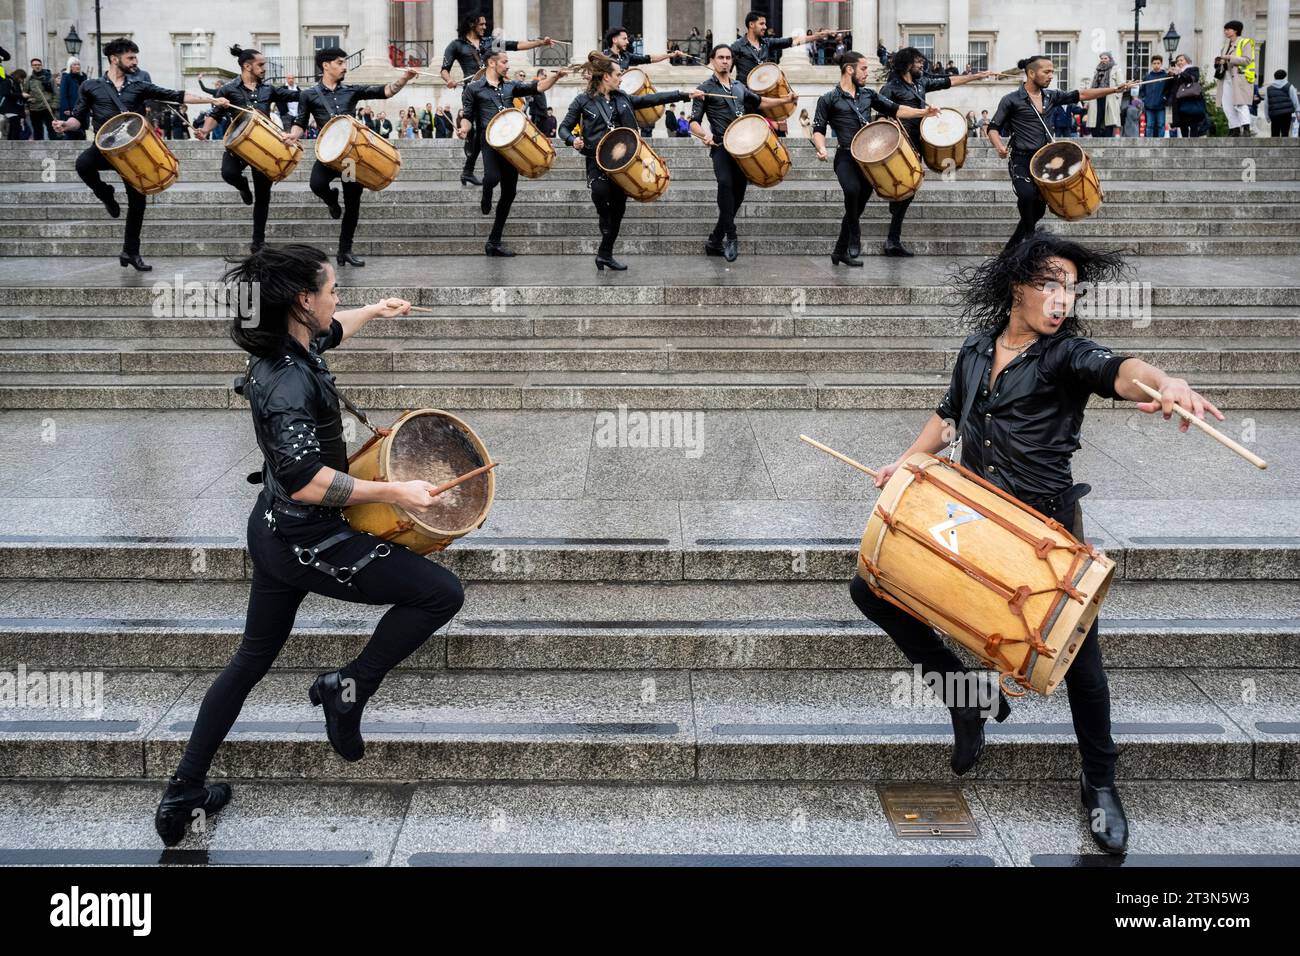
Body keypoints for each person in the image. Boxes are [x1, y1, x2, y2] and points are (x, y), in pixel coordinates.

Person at [850, 231, 1225, 856]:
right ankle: (965, 697)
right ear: (1016, 286)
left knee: (1082, 663)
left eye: (1069, 288)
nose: (1060, 299)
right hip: (975, 521)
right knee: (871, 588)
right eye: (1049, 284)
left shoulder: (1065, 355)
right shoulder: (975, 350)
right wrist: (905, 464)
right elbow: (947, 418)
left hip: (1045, 536)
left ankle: (1100, 783)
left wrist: (1166, 382)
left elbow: (1119, 372)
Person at [154, 244, 465, 847]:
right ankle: (347, 688)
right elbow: (305, 479)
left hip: (273, 529)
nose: (337, 297)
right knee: (439, 594)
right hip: (306, 536)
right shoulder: (288, 382)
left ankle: (182, 794)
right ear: (303, 300)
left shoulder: (291, 346)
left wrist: (375, 309)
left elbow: (331, 333)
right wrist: (394, 490)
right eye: (332, 289)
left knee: (250, 660)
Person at [53, 38, 229, 271]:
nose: (135, 62)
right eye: (130, 58)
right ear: (114, 59)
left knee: (138, 202)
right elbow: (78, 118)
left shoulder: (139, 86)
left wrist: (211, 98)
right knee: (82, 164)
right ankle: (105, 193)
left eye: (136, 57)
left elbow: (177, 94)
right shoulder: (90, 86)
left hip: (134, 151)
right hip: (105, 147)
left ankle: (130, 252)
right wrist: (66, 125)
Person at [559, 53, 703, 272]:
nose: (621, 78)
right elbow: (563, 128)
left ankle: (604, 254)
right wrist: (573, 140)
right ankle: (605, 233)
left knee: (618, 210)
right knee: (601, 199)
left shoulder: (623, 97)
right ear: (606, 77)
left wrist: (684, 94)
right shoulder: (583, 100)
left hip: (625, 164)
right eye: (618, 74)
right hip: (596, 162)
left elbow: (652, 99)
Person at [285, 46, 417, 268]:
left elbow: (385, 91)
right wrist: (292, 136)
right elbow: (300, 122)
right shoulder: (309, 94)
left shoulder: (351, 91)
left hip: (349, 159)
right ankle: (331, 199)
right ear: (326, 66)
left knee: (353, 204)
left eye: (344, 62)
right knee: (316, 184)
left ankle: (345, 250)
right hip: (327, 156)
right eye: (340, 63)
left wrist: (404, 77)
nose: (344, 67)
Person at [988, 55, 1131, 249]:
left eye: (1052, 72)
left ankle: (1011, 248)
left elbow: (1082, 94)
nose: (1051, 76)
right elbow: (993, 127)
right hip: (1021, 159)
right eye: (1046, 72)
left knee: (1038, 211)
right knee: (1027, 195)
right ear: (1031, 73)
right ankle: (1031, 238)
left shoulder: (1051, 96)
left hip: (1046, 160)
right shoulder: (1011, 99)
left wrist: (1114, 89)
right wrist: (999, 146)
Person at [811, 51, 937, 267]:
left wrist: (923, 112)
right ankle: (854, 234)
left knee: (857, 207)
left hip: (869, 161)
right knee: (852, 191)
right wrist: (821, 148)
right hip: (845, 157)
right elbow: (818, 129)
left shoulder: (869, 94)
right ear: (849, 69)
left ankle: (839, 252)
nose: (867, 73)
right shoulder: (828, 99)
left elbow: (896, 109)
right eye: (863, 68)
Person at [879, 47, 997, 256]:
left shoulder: (921, 82)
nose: (922, 65)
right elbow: (881, 116)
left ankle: (894, 229)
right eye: (917, 62)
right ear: (907, 64)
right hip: (902, 144)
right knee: (908, 188)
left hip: (920, 141)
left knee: (910, 189)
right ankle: (892, 240)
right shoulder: (890, 88)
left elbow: (948, 81)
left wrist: (976, 76)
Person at [689, 44, 798, 262]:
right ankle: (731, 235)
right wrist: (704, 136)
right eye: (720, 57)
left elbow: (761, 101)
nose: (725, 61)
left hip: (744, 150)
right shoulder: (704, 88)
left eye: (728, 57)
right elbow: (693, 122)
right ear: (712, 60)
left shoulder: (739, 86)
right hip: (720, 146)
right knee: (725, 184)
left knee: (737, 197)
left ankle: (714, 240)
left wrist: (785, 100)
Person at [459, 51, 566, 257]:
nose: (508, 66)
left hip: (512, 144)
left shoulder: (510, 86)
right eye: (505, 62)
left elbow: (538, 86)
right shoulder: (473, 88)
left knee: (509, 193)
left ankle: (494, 242)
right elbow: (468, 116)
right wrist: (463, 129)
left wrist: (556, 77)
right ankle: (486, 192)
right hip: (489, 141)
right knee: (491, 178)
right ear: (492, 63)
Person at [197, 46, 301, 254]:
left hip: (264, 147)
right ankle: (243, 186)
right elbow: (215, 113)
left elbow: (292, 100)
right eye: (261, 65)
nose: (264, 68)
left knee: (263, 197)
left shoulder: (269, 89)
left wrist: (290, 130)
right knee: (229, 173)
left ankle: (258, 241)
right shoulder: (228, 90)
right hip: (238, 145)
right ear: (247, 66)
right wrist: (205, 130)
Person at [441, 12, 556, 186]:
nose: (485, 27)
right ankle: (469, 163)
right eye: (481, 24)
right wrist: (449, 80)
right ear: (472, 24)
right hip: (474, 91)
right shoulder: (456, 45)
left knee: (484, 130)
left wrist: (540, 42)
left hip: (494, 90)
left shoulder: (490, 42)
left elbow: (516, 45)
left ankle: (469, 169)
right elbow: (444, 68)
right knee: (478, 130)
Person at [729, 10, 831, 84]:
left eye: (765, 24)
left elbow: (791, 41)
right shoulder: (737, 46)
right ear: (751, 24)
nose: (765, 27)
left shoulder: (767, 43)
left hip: (764, 92)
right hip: (744, 94)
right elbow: (725, 69)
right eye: (761, 24)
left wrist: (816, 36)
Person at [1216, 19, 1257, 136]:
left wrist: (1230, 57)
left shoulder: (1245, 42)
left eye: (1227, 29)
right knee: (1227, 103)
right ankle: (1234, 128)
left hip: (1239, 78)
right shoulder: (1225, 46)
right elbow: (1224, 60)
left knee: (1240, 103)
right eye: (1225, 29)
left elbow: (1247, 60)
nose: (1225, 32)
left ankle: (1246, 128)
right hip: (1226, 77)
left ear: (1235, 30)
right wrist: (1219, 62)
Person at [603, 25, 688, 70]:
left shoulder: (626, 56)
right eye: (624, 39)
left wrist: (670, 55)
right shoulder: (603, 58)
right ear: (614, 40)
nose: (627, 42)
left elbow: (649, 58)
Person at [1167, 54, 1207, 138]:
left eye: (1181, 60)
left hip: (1190, 99)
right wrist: (1171, 75)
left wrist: (1181, 72)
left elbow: (1192, 79)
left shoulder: (1193, 69)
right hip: (1179, 100)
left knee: (1193, 121)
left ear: (1187, 61)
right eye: (1178, 61)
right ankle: (1184, 141)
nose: (1179, 62)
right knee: (1182, 122)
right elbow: (1171, 86)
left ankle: (1193, 140)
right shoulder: (1176, 72)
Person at [1086, 52, 1121, 137]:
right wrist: (1087, 101)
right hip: (1097, 96)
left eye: (1105, 58)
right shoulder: (1097, 70)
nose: (1103, 60)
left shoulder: (1115, 69)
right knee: (1096, 118)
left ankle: (1108, 137)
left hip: (1109, 97)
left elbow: (1120, 84)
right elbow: (1091, 85)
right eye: (1102, 58)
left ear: (1109, 59)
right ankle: (1096, 137)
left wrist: (1117, 96)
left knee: (1108, 119)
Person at [22, 57, 57, 140]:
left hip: (48, 107)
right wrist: (27, 106)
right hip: (34, 108)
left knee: (52, 129)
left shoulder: (49, 78)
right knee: (37, 131)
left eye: (39, 65)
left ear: (41, 65)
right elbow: (24, 93)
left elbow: (56, 93)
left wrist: (54, 105)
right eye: (35, 65)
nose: (37, 66)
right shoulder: (29, 79)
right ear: (32, 66)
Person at [57, 57, 86, 141]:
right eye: (75, 64)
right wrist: (66, 108)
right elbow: (63, 93)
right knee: (70, 132)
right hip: (70, 107)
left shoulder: (83, 76)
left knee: (82, 131)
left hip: (82, 108)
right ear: (70, 66)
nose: (77, 66)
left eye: (78, 64)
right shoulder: (66, 76)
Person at [1140, 55, 1170, 137]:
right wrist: (1144, 99)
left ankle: (1161, 143)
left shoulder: (1165, 76)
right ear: (1151, 64)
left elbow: (1168, 90)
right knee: (1149, 125)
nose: (1156, 65)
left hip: (1161, 105)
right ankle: (1149, 144)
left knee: (1161, 125)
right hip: (1149, 105)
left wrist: (1164, 98)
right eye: (1154, 63)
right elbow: (1142, 90)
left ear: (1161, 64)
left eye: (1158, 63)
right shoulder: (1147, 77)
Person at [1267, 69, 1300, 137]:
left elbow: (1266, 104)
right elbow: (1295, 100)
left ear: (1274, 77)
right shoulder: (1289, 86)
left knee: (1274, 134)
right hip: (1286, 114)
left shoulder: (1269, 88)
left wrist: (1267, 117)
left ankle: (1274, 147)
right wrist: (1297, 112)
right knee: (1285, 133)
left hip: (1274, 114)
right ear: (1285, 77)